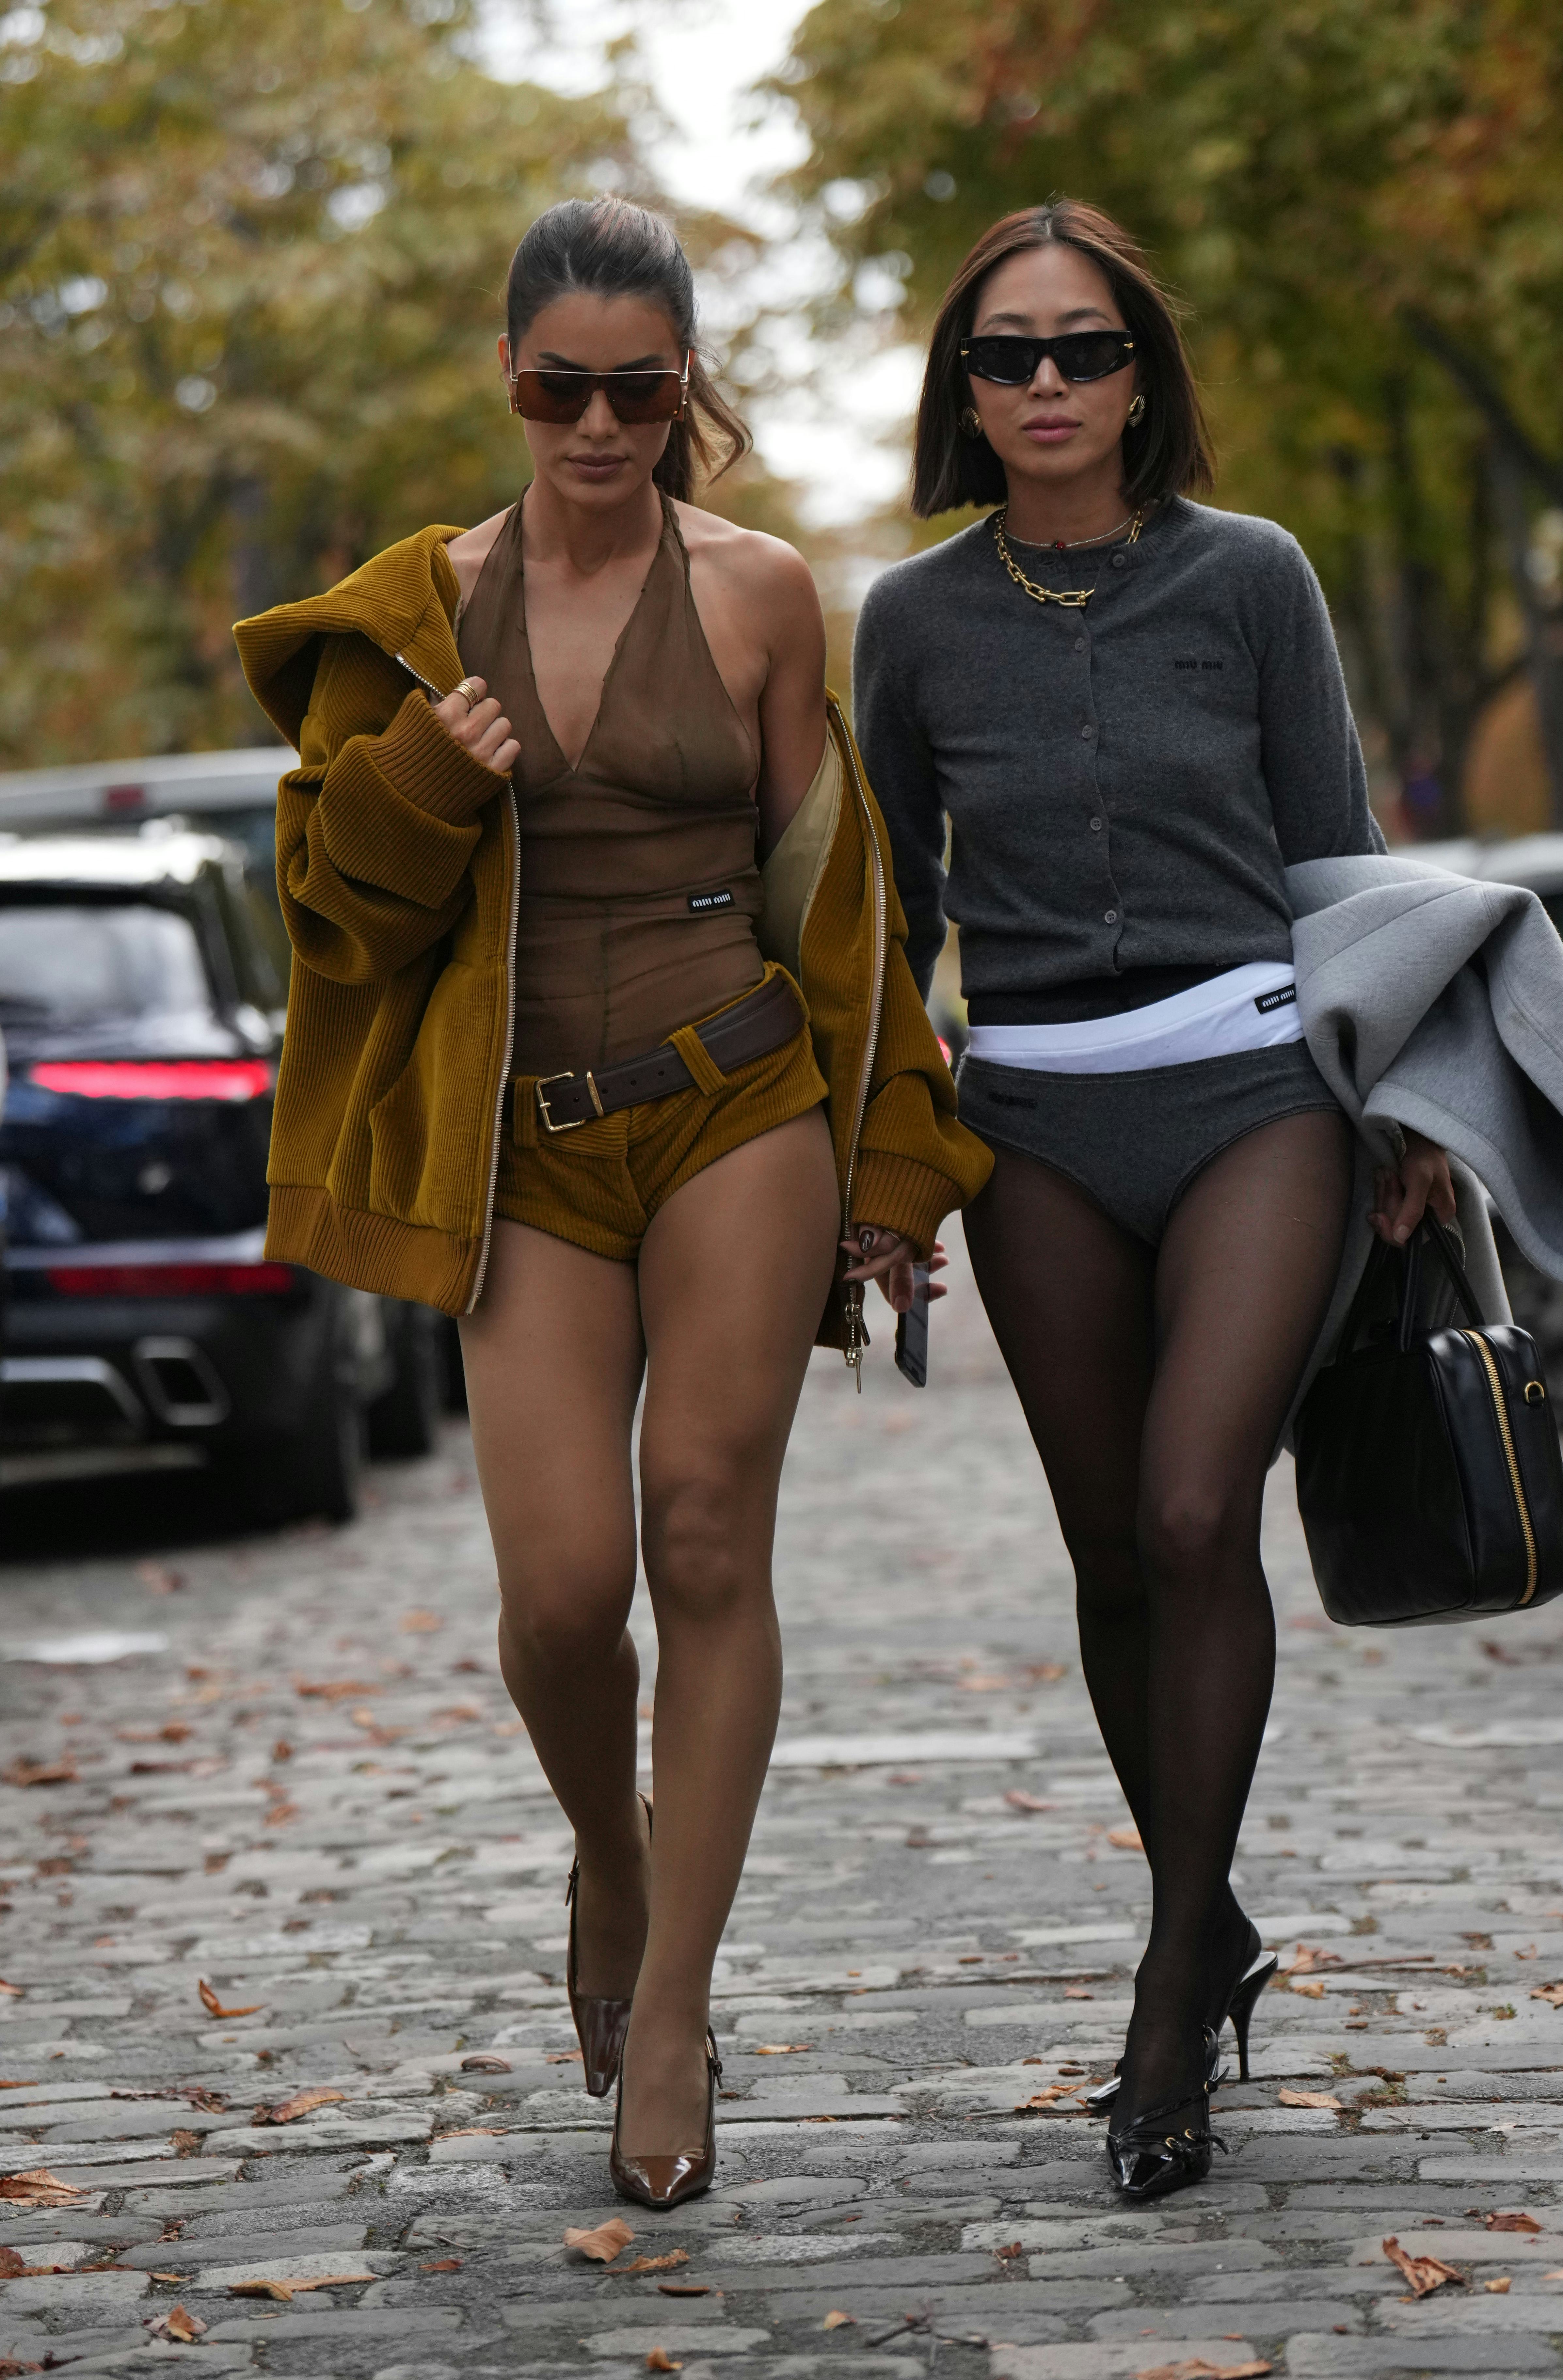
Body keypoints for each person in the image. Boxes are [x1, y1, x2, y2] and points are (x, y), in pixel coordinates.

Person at [235, 196, 990, 2211]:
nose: (597, 425)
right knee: (565, 1596)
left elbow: (840, 904)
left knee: (705, 1524)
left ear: (682, 392)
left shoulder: (755, 597)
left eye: (637, 391)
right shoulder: (415, 619)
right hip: (523, 1147)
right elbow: (332, 929)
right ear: (509, 379)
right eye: (562, 387)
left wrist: (894, 1160)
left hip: (733, 1099)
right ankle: (615, 1850)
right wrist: (421, 777)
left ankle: (673, 2006)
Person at [852, 199, 1455, 2201]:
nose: (1044, 385)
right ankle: (1216, 1922)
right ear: (965, 389)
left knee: (1206, 1507)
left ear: (1141, 375)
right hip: (1033, 1109)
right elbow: (891, 919)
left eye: (1080, 349)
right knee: (1114, 1550)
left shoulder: (1255, 577)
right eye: (1003, 355)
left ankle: (1165, 1997)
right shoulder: (914, 620)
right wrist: (888, 1167)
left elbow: (1346, 859)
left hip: (1257, 1084)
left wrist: (1406, 1104)